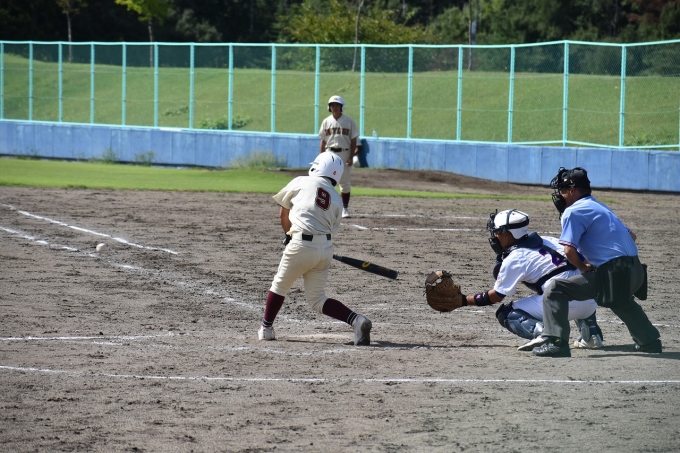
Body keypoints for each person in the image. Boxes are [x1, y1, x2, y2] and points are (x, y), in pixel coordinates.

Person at [531, 167, 661, 357]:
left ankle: (556, 342)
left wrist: (583, 267)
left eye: (562, 190)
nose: (560, 195)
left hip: (616, 273)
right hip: (637, 272)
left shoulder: (573, 211)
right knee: (619, 299)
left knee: (555, 289)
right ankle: (649, 342)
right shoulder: (600, 206)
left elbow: (568, 250)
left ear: (572, 190)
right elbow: (632, 236)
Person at [257, 151, 372, 346]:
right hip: (325, 249)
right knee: (318, 299)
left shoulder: (300, 181)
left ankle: (266, 329)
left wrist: (288, 235)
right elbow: (330, 229)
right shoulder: (337, 198)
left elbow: (283, 214)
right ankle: (356, 320)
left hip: (300, 245)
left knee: (279, 286)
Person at [460, 209, 602, 349]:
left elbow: (496, 296)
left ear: (506, 234)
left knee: (506, 312)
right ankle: (591, 334)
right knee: (573, 281)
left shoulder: (515, 258)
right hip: (590, 303)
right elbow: (585, 262)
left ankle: (545, 334)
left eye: (497, 232)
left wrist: (464, 300)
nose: (495, 236)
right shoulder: (550, 240)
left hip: (562, 305)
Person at [318, 95, 360, 218]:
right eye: (332, 105)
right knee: (326, 181)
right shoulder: (326, 121)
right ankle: (325, 209)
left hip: (344, 152)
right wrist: (321, 157)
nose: (335, 107)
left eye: (337, 105)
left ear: (342, 107)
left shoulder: (349, 121)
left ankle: (344, 209)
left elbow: (353, 140)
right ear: (329, 107)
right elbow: (323, 141)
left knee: (345, 182)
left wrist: (351, 156)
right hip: (329, 153)